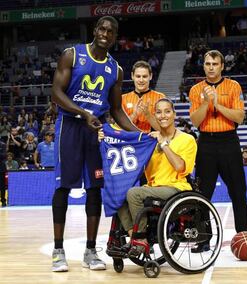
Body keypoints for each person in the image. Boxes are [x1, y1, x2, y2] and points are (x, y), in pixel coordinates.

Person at [50, 16, 138, 272]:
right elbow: (56, 93)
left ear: (115, 37)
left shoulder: (116, 69)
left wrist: (140, 133)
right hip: (70, 126)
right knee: (63, 187)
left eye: (111, 31)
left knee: (94, 189)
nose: (106, 33)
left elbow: (117, 110)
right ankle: (58, 250)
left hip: (96, 130)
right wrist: (83, 113)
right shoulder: (72, 55)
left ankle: (90, 250)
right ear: (95, 30)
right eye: (102, 28)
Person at [116, 98, 197, 254]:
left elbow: (180, 167)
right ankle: (134, 236)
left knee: (134, 193)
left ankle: (141, 239)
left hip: (175, 188)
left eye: (167, 111)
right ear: (155, 116)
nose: (163, 115)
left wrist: (163, 143)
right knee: (118, 194)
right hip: (153, 187)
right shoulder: (150, 140)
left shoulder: (187, 139)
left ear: (174, 114)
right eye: (158, 112)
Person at [189, 50, 247, 253]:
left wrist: (217, 103)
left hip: (229, 141)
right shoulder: (196, 89)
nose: (211, 67)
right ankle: (204, 239)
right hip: (205, 143)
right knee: (203, 194)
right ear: (203, 66)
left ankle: (243, 236)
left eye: (215, 63)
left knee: (238, 191)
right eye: (207, 64)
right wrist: (206, 102)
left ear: (222, 66)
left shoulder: (233, 86)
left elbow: (239, 117)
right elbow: (196, 121)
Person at [122, 60, 165, 133]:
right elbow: (119, 129)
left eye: (144, 76)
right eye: (138, 76)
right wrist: (134, 114)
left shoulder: (160, 98)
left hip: (151, 141)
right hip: (129, 141)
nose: (141, 80)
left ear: (150, 76)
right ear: (132, 76)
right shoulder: (123, 98)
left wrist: (148, 115)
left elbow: (164, 130)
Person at [0, 140, 6, 207]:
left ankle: (3, 201)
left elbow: (4, 155)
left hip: (1, 168)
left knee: (2, 186)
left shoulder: (2, 144)